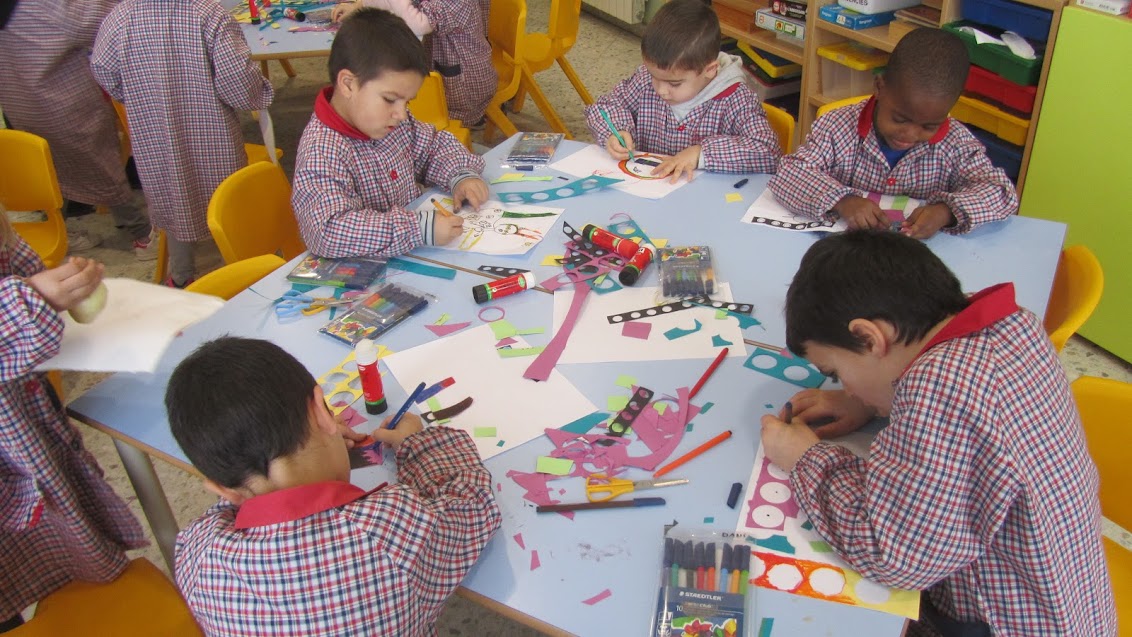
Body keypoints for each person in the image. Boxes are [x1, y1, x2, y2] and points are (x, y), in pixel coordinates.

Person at [760, 230, 1116, 636]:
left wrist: (806, 458)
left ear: (869, 338)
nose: (847, 388)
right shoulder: (1013, 324)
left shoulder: (939, 388)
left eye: (838, 372)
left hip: (1001, 623)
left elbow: (894, 557)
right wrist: (871, 399)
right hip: (1074, 599)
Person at [167, 336, 501, 635]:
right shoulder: (386, 531)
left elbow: (227, 512)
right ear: (322, 410)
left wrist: (307, 440)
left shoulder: (195, 556)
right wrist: (415, 443)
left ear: (220, 488)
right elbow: (473, 503)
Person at [0, 205, 147, 632]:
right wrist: (28, 301)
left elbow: (23, 268)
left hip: (23, 433)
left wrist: (66, 291)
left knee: (32, 556)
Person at [91, 0, 275, 288]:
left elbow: (103, 69)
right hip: (213, 135)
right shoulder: (209, 14)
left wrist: (137, 95)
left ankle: (180, 275)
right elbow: (238, 84)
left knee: (172, 197)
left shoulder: (121, 15)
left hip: (153, 135)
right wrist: (261, 93)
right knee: (226, 203)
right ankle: (242, 274)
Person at [768, 29, 1017, 240]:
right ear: (879, 87)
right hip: (844, 252)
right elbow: (790, 173)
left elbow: (1002, 193)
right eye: (900, 119)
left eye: (929, 126)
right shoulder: (837, 127)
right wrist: (843, 201)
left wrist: (945, 212)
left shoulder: (956, 143)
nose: (910, 134)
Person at [292, 8, 488, 259]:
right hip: (364, 273)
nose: (402, 114)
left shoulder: (389, 122)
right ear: (348, 84)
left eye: (407, 102)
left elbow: (433, 146)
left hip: (409, 257)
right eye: (390, 99)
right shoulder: (322, 150)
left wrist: (460, 175)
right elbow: (328, 231)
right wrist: (416, 229)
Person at [0, 0, 155, 258]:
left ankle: (59, 231)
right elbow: (101, 18)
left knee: (49, 172)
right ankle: (143, 236)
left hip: (19, 102)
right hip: (64, 101)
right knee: (104, 168)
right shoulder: (44, 4)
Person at [583, 0, 780, 183]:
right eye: (654, 76)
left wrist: (700, 153)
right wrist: (616, 131)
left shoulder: (736, 99)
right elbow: (605, 107)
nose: (661, 90)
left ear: (709, 70)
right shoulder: (645, 80)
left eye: (674, 84)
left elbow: (767, 151)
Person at [332, 0, 496, 127]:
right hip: (448, 74)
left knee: (397, 110)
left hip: (466, 85)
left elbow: (419, 24)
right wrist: (360, 6)